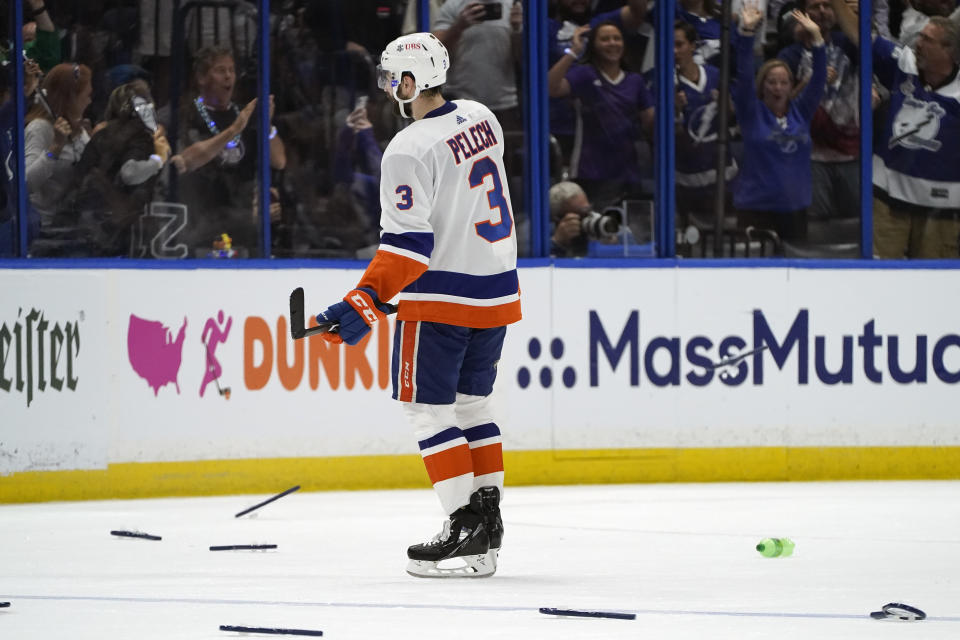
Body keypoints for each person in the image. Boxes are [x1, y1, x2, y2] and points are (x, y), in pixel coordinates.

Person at [314, 32, 520, 578]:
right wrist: (372, 303)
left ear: (410, 81)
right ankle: (487, 520)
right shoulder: (482, 116)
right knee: (473, 406)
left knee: (428, 411)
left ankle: (462, 527)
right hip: (496, 288)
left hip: (443, 301)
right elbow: (459, 210)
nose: (387, 87)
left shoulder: (407, 148)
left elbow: (408, 246)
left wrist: (362, 302)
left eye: (391, 77)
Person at [830, 0, 960, 258]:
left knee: (932, 283)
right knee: (879, 275)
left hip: (941, 208)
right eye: (919, 37)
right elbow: (860, 36)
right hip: (887, 197)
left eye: (927, 40)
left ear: (949, 51)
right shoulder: (905, 64)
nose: (918, 44)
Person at [174, 46, 286, 255]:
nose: (228, 77)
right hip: (202, 227)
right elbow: (183, 162)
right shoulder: (186, 115)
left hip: (245, 230)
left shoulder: (245, 114)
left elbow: (279, 160)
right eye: (220, 70)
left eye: (232, 70)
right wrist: (234, 130)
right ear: (201, 78)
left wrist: (266, 125)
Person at [732, 4, 826, 243]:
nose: (778, 88)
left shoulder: (801, 112)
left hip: (794, 211)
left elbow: (818, 80)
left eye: (784, 82)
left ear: (791, 85)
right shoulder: (751, 113)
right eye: (772, 82)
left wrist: (817, 39)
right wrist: (746, 33)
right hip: (756, 210)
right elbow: (743, 76)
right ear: (762, 86)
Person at [547, 21, 655, 209]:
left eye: (617, 38)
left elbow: (650, 122)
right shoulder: (585, 75)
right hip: (591, 170)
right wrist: (574, 51)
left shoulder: (635, 81)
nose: (612, 43)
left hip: (627, 171)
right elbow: (551, 88)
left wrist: (674, 106)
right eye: (605, 39)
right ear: (593, 45)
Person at [778, 0, 860, 222]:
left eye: (828, 5)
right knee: (816, 224)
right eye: (815, 6)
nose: (822, 11)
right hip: (810, 156)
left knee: (858, 222)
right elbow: (779, 108)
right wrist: (809, 81)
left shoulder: (848, 44)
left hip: (850, 152)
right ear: (803, 13)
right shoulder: (789, 55)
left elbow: (872, 46)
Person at [71, 80, 172, 256]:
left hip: (86, 224)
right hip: (114, 230)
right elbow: (129, 173)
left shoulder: (102, 135)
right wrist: (159, 159)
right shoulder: (139, 136)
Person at [673, 21, 738, 228]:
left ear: (692, 45)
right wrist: (674, 109)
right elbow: (667, 134)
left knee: (727, 232)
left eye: (679, 44)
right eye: (670, 46)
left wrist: (723, 102)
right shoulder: (666, 83)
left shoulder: (714, 74)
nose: (674, 51)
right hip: (688, 175)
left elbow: (730, 115)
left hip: (721, 171)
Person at [24, 62, 94, 245]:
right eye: (86, 95)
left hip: (72, 227)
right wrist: (54, 149)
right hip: (43, 230)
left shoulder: (78, 131)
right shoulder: (40, 129)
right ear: (71, 98)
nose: (90, 101)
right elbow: (26, 183)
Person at [549, 180, 594, 257]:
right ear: (557, 218)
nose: (587, 218)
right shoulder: (534, 236)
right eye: (580, 215)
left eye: (588, 211)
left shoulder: (594, 227)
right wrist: (557, 243)